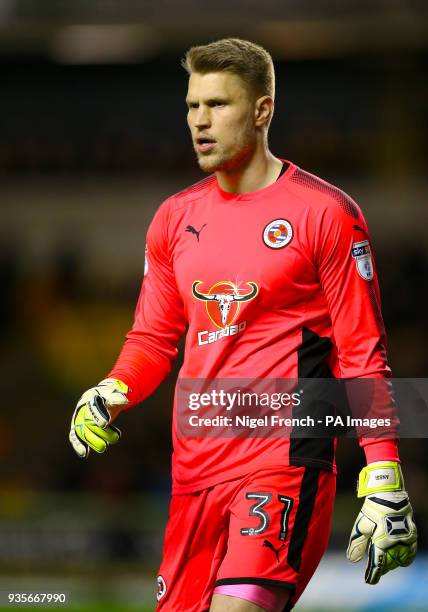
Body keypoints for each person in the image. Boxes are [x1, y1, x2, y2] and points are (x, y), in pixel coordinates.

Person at [69, 38, 417, 612]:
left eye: (218, 105)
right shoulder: (174, 219)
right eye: (191, 106)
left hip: (283, 459)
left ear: (262, 110)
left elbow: (362, 350)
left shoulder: (325, 213)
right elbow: (154, 339)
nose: (200, 122)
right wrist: (113, 389)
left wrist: (383, 472)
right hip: (195, 471)